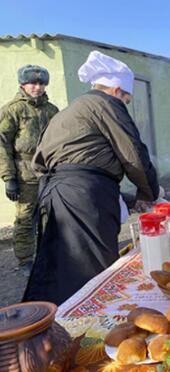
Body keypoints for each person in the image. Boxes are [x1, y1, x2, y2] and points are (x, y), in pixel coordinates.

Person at [23, 50, 160, 305]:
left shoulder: (71, 109)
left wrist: (125, 198)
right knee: (92, 271)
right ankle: (91, 336)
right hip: (82, 201)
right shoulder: (106, 105)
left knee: (60, 268)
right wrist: (149, 192)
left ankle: (54, 325)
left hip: (57, 197)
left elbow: (50, 165)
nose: (125, 103)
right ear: (117, 89)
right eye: (126, 98)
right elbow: (133, 154)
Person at [0, 65, 59, 276]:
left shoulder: (52, 110)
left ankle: (49, 255)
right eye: (32, 83)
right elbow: (2, 145)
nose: (37, 87)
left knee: (51, 217)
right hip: (24, 175)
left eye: (41, 83)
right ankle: (25, 260)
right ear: (22, 84)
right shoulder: (12, 110)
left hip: (49, 172)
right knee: (25, 219)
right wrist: (9, 178)